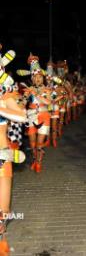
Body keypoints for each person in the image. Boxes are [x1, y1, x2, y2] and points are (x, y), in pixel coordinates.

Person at [0, 47, 27, 254]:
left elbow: (21, 116)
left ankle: (1, 241)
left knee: (3, 209)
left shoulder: (6, 95)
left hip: (1, 155)